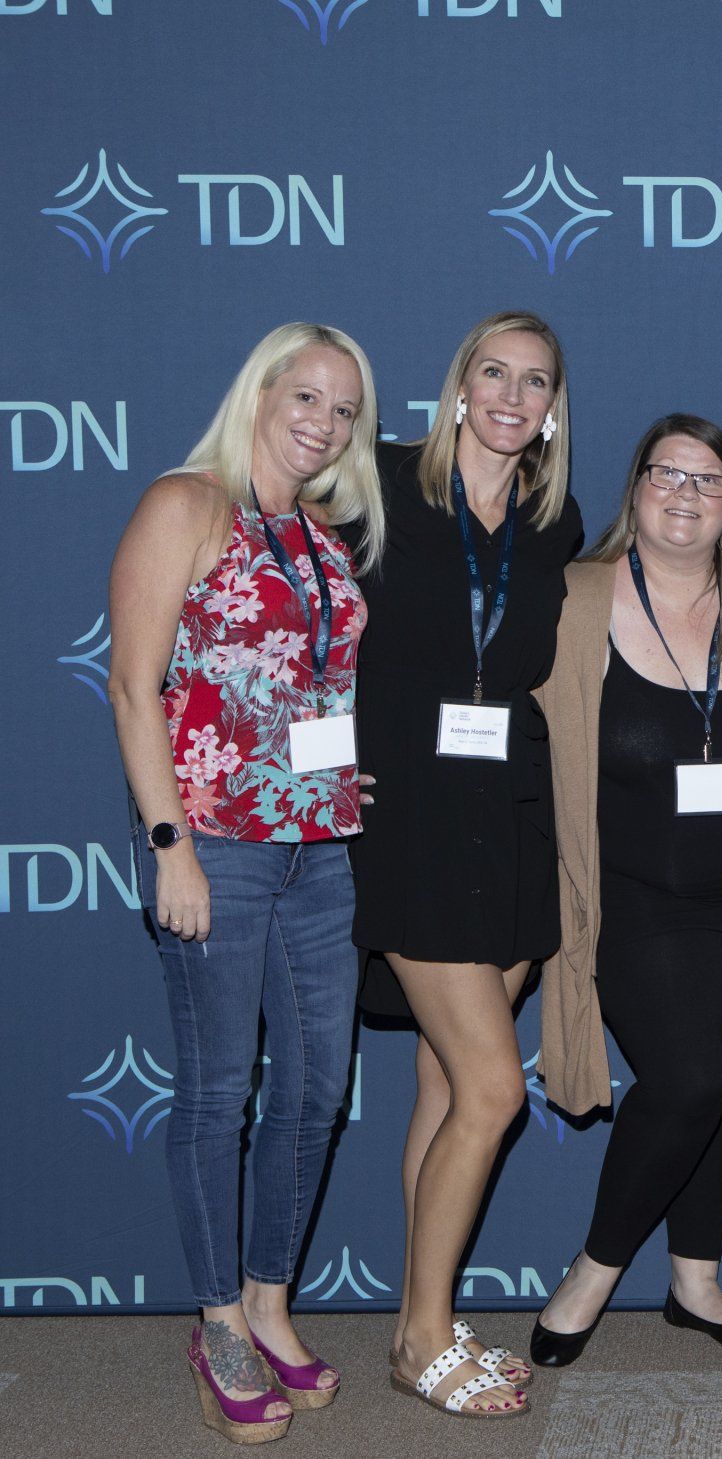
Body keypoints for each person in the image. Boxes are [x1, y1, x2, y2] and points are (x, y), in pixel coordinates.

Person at [106, 323, 382, 1442]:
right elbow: (134, 687)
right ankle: (217, 1318)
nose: (322, 420)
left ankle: (270, 1302)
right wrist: (169, 843)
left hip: (321, 845)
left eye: (344, 408)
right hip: (213, 840)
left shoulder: (320, 536)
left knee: (315, 1089)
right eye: (304, 394)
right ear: (260, 391)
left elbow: (303, 684)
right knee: (221, 1092)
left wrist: (340, 764)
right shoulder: (188, 503)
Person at [526, 415, 722, 1362]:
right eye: (666, 473)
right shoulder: (574, 599)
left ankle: (696, 1279)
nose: (685, 494)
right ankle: (593, 1272)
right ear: (634, 488)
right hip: (635, 899)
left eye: (708, 480)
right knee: (689, 1075)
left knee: (715, 1085)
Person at [346, 312, 584, 1419]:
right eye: (494, 372)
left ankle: (422, 1309)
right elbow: (282, 580)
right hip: (409, 824)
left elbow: (667, 566)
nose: (511, 395)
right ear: (458, 386)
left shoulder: (551, 518)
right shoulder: (380, 484)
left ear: (550, 410)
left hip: (512, 822)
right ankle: (421, 1338)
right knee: (494, 1088)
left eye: (534, 382)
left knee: (446, 1085)